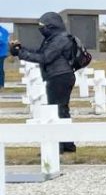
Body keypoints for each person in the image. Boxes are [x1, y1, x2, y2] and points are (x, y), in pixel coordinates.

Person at [14, 12, 77, 152]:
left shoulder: (60, 39)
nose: (40, 29)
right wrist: (21, 50)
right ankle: (67, 144)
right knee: (62, 110)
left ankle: (58, 146)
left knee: (56, 111)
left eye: (43, 26)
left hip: (60, 76)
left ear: (51, 26)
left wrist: (21, 54)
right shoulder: (53, 38)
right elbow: (39, 52)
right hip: (57, 76)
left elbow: (45, 58)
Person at [0, 24, 10, 88]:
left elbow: (4, 41)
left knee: (0, 69)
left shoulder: (4, 31)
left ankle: (1, 85)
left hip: (1, 53)